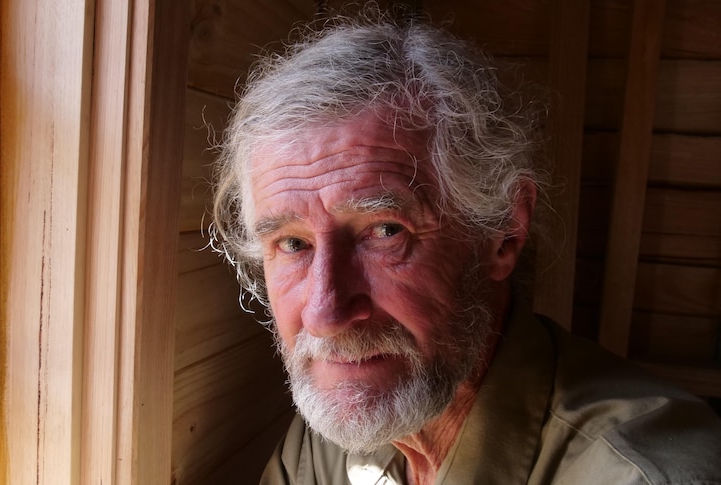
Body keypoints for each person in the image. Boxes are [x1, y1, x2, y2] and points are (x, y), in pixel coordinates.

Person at [209, 11, 721, 485]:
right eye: (292, 243)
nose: (326, 313)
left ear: (503, 234)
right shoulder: (338, 417)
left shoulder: (641, 474)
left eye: (385, 231)